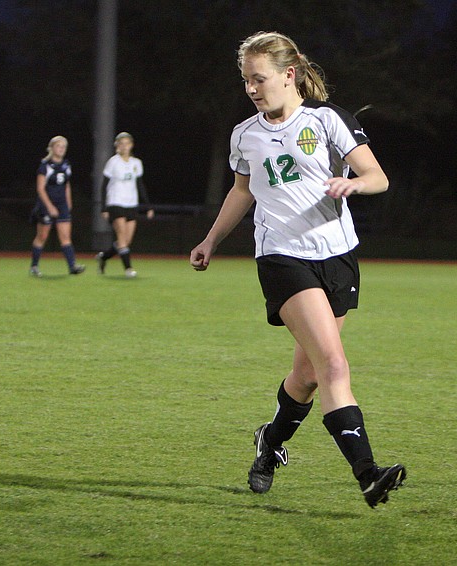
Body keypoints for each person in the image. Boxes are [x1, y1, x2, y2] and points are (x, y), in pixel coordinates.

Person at [189, 31, 406, 508]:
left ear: (289, 75)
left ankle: (270, 442)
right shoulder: (245, 135)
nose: (250, 88)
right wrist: (211, 239)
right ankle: (368, 473)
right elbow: (242, 192)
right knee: (333, 363)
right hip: (282, 257)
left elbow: (377, 177)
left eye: (258, 78)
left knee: (307, 375)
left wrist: (354, 187)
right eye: (246, 80)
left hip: (338, 255)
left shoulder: (328, 121)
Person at [96, 132, 154, 278]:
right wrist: (104, 207)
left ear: (131, 145)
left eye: (127, 143)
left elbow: (140, 185)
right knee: (122, 238)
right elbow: (104, 186)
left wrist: (148, 206)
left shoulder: (136, 163)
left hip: (131, 204)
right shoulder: (113, 162)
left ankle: (103, 257)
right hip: (116, 203)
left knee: (126, 241)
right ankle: (128, 269)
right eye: (121, 143)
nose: (124, 146)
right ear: (117, 146)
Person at [29, 135, 86, 276]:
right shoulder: (45, 166)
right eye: (58, 146)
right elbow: (40, 188)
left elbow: (67, 185)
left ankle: (72, 266)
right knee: (42, 236)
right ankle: (34, 266)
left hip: (61, 204)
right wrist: (49, 206)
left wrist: (68, 202)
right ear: (52, 148)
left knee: (65, 236)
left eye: (63, 147)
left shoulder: (66, 165)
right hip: (46, 205)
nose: (61, 149)